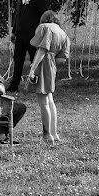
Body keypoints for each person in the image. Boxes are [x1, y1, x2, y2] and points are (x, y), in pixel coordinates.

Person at [28, 11, 70, 146]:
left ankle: (47, 135)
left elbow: (42, 50)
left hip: (43, 63)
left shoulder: (44, 27)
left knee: (43, 101)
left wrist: (32, 69)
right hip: (52, 65)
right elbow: (62, 59)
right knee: (50, 100)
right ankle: (54, 133)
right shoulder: (63, 33)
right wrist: (51, 60)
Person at [7, 0, 48, 92]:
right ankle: (14, 85)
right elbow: (17, 15)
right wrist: (13, 32)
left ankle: (39, 83)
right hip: (20, 34)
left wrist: (40, 33)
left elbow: (43, 15)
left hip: (32, 34)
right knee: (18, 60)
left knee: (34, 59)